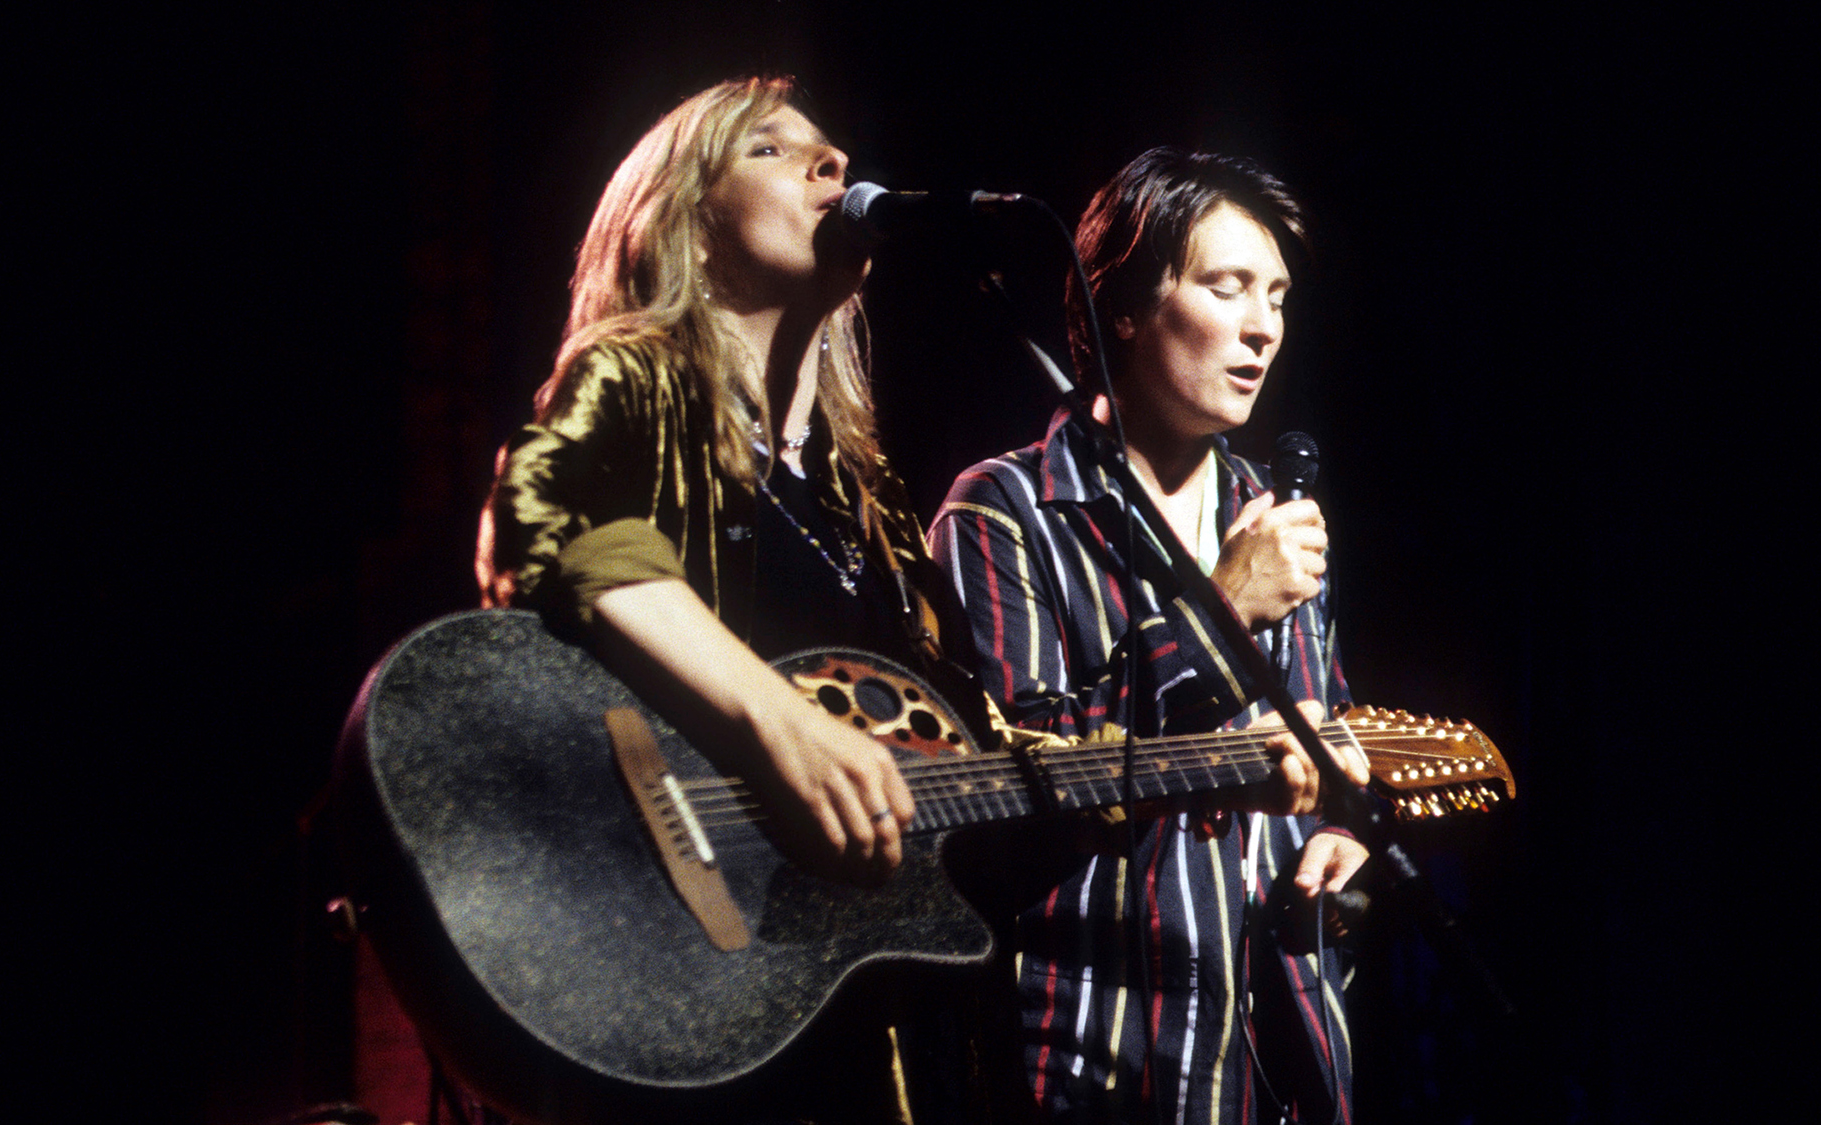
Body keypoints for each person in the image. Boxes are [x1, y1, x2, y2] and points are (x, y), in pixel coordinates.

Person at [473, 83, 1344, 1124]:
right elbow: (542, 516)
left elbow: (979, 762)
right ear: (685, 228)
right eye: (770, 147)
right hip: (667, 964)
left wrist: (1231, 778)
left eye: (829, 144)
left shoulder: (862, 495)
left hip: (836, 1014)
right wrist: (778, 722)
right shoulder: (642, 381)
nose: (831, 160)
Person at [929, 148, 1368, 1124]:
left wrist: (1336, 829)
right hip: (1087, 1060)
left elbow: (1321, 730)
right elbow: (1015, 791)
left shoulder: (1271, 515)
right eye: (1225, 288)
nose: (1262, 328)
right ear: (1119, 308)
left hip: (1269, 1065)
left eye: (1278, 297)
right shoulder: (1002, 512)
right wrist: (1221, 610)